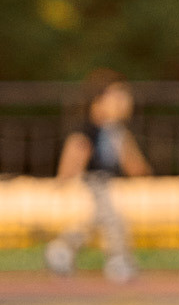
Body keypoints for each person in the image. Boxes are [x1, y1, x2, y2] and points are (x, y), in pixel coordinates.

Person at [47, 77, 149, 281]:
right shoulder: (87, 131)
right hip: (92, 182)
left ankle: (62, 249)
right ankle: (117, 259)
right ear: (99, 102)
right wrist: (64, 181)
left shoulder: (117, 132)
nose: (123, 104)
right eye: (117, 99)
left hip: (108, 184)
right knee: (109, 219)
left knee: (95, 221)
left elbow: (133, 163)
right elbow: (74, 157)